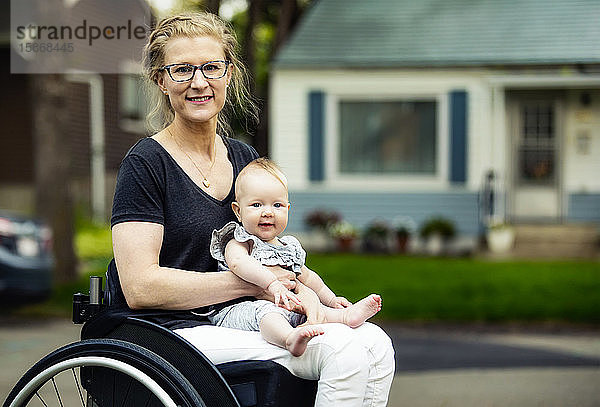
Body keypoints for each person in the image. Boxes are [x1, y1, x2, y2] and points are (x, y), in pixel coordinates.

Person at [108, 11, 395, 406]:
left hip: (252, 312)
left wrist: (311, 293)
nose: (198, 82)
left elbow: (269, 245)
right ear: (161, 80)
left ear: (228, 73)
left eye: (211, 67)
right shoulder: (146, 163)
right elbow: (141, 287)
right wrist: (262, 282)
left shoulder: (244, 157)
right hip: (174, 330)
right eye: (181, 70)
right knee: (341, 349)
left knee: (376, 344)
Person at [208, 158, 383, 356]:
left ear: (288, 209)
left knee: (310, 307)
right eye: (256, 205)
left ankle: (345, 315)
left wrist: (331, 299)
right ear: (238, 211)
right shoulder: (239, 240)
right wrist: (272, 284)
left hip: (283, 306)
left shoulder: (288, 247)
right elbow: (239, 264)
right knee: (267, 313)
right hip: (239, 309)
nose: (268, 212)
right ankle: (289, 339)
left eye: (277, 205)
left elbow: (308, 278)